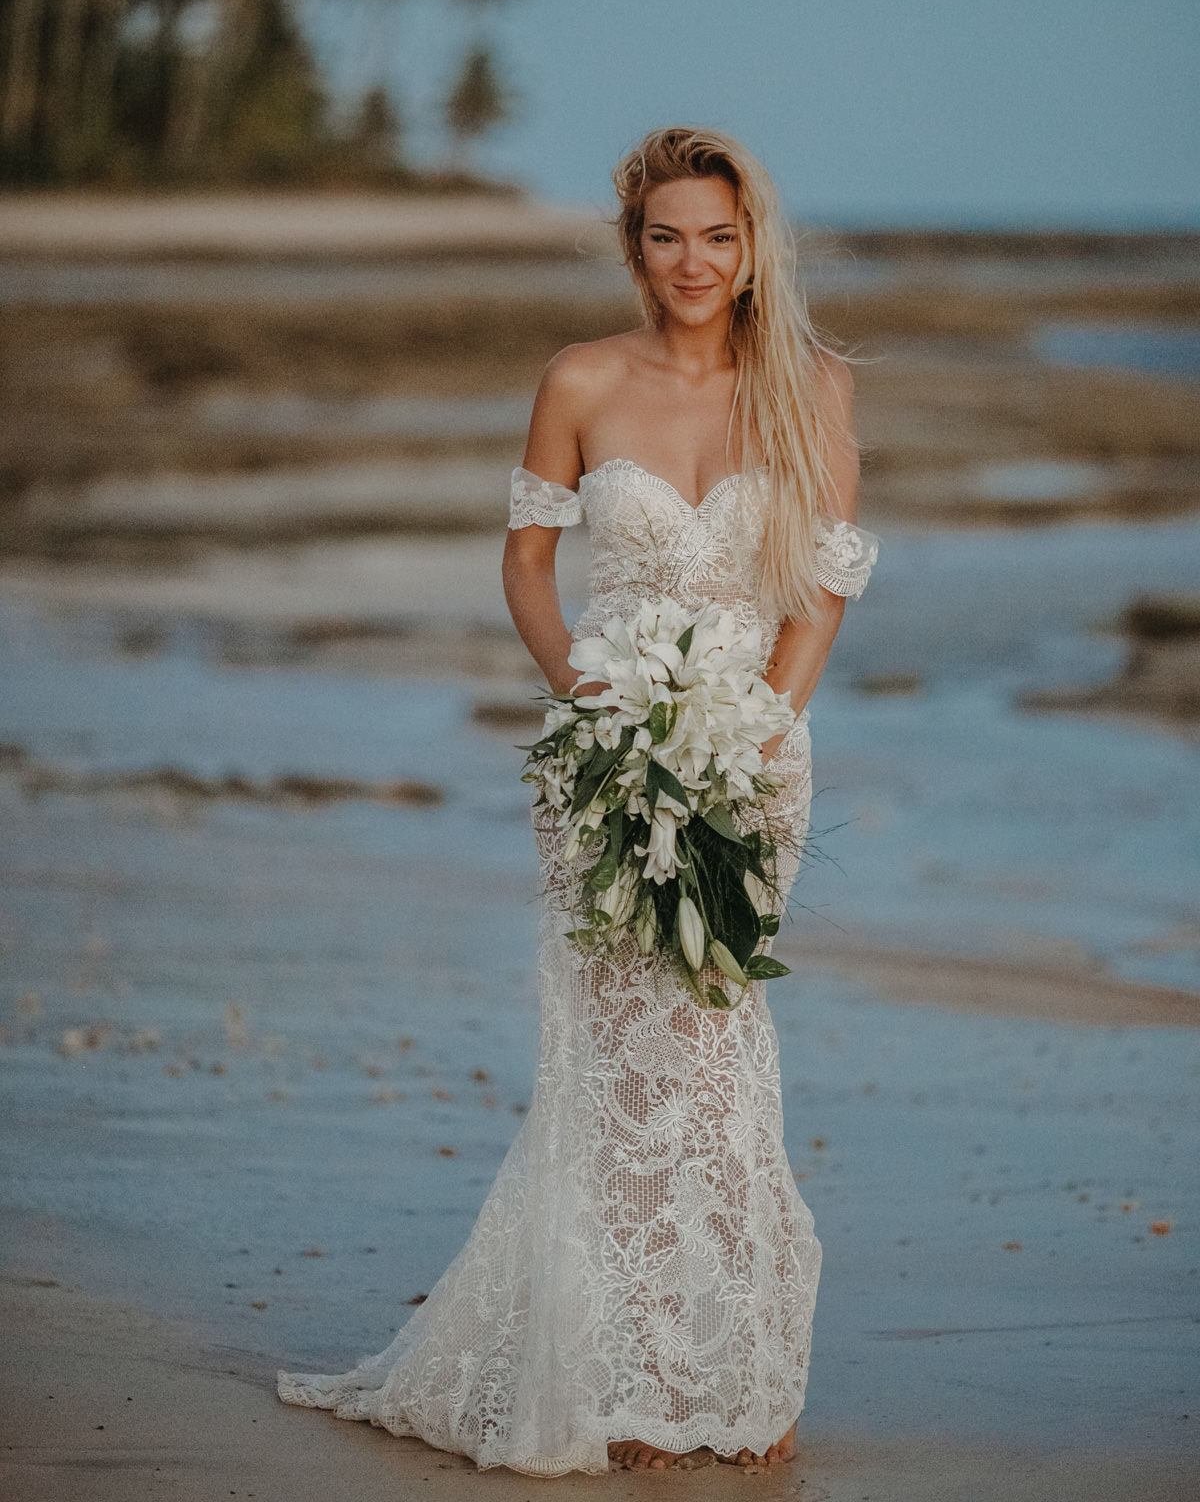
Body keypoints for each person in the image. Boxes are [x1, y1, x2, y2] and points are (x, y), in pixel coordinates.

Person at [276, 125, 878, 1476]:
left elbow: (828, 578)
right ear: (634, 245)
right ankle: (624, 1377)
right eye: (667, 235)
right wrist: (582, 697)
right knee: (611, 1065)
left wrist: (762, 730)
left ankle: (739, 1376)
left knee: (717, 1053)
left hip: (748, 758)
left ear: (751, 243)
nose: (693, 262)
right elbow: (530, 564)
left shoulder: (810, 388)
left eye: (718, 236)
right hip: (599, 754)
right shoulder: (579, 379)